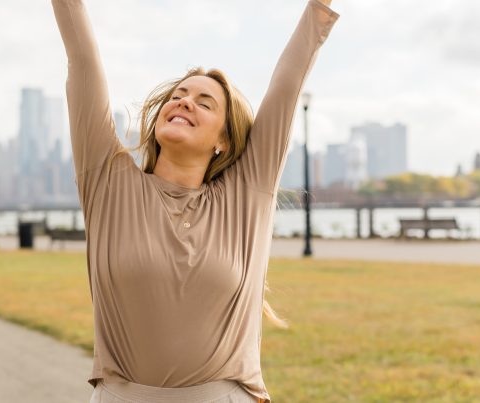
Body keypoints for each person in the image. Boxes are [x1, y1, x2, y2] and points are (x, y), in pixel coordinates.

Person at [51, 0, 339, 402]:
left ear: (224, 140)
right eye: (179, 95)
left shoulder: (247, 194)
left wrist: (319, 8)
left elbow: (287, 85)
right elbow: (82, 62)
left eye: (204, 103)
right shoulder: (109, 182)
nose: (185, 101)